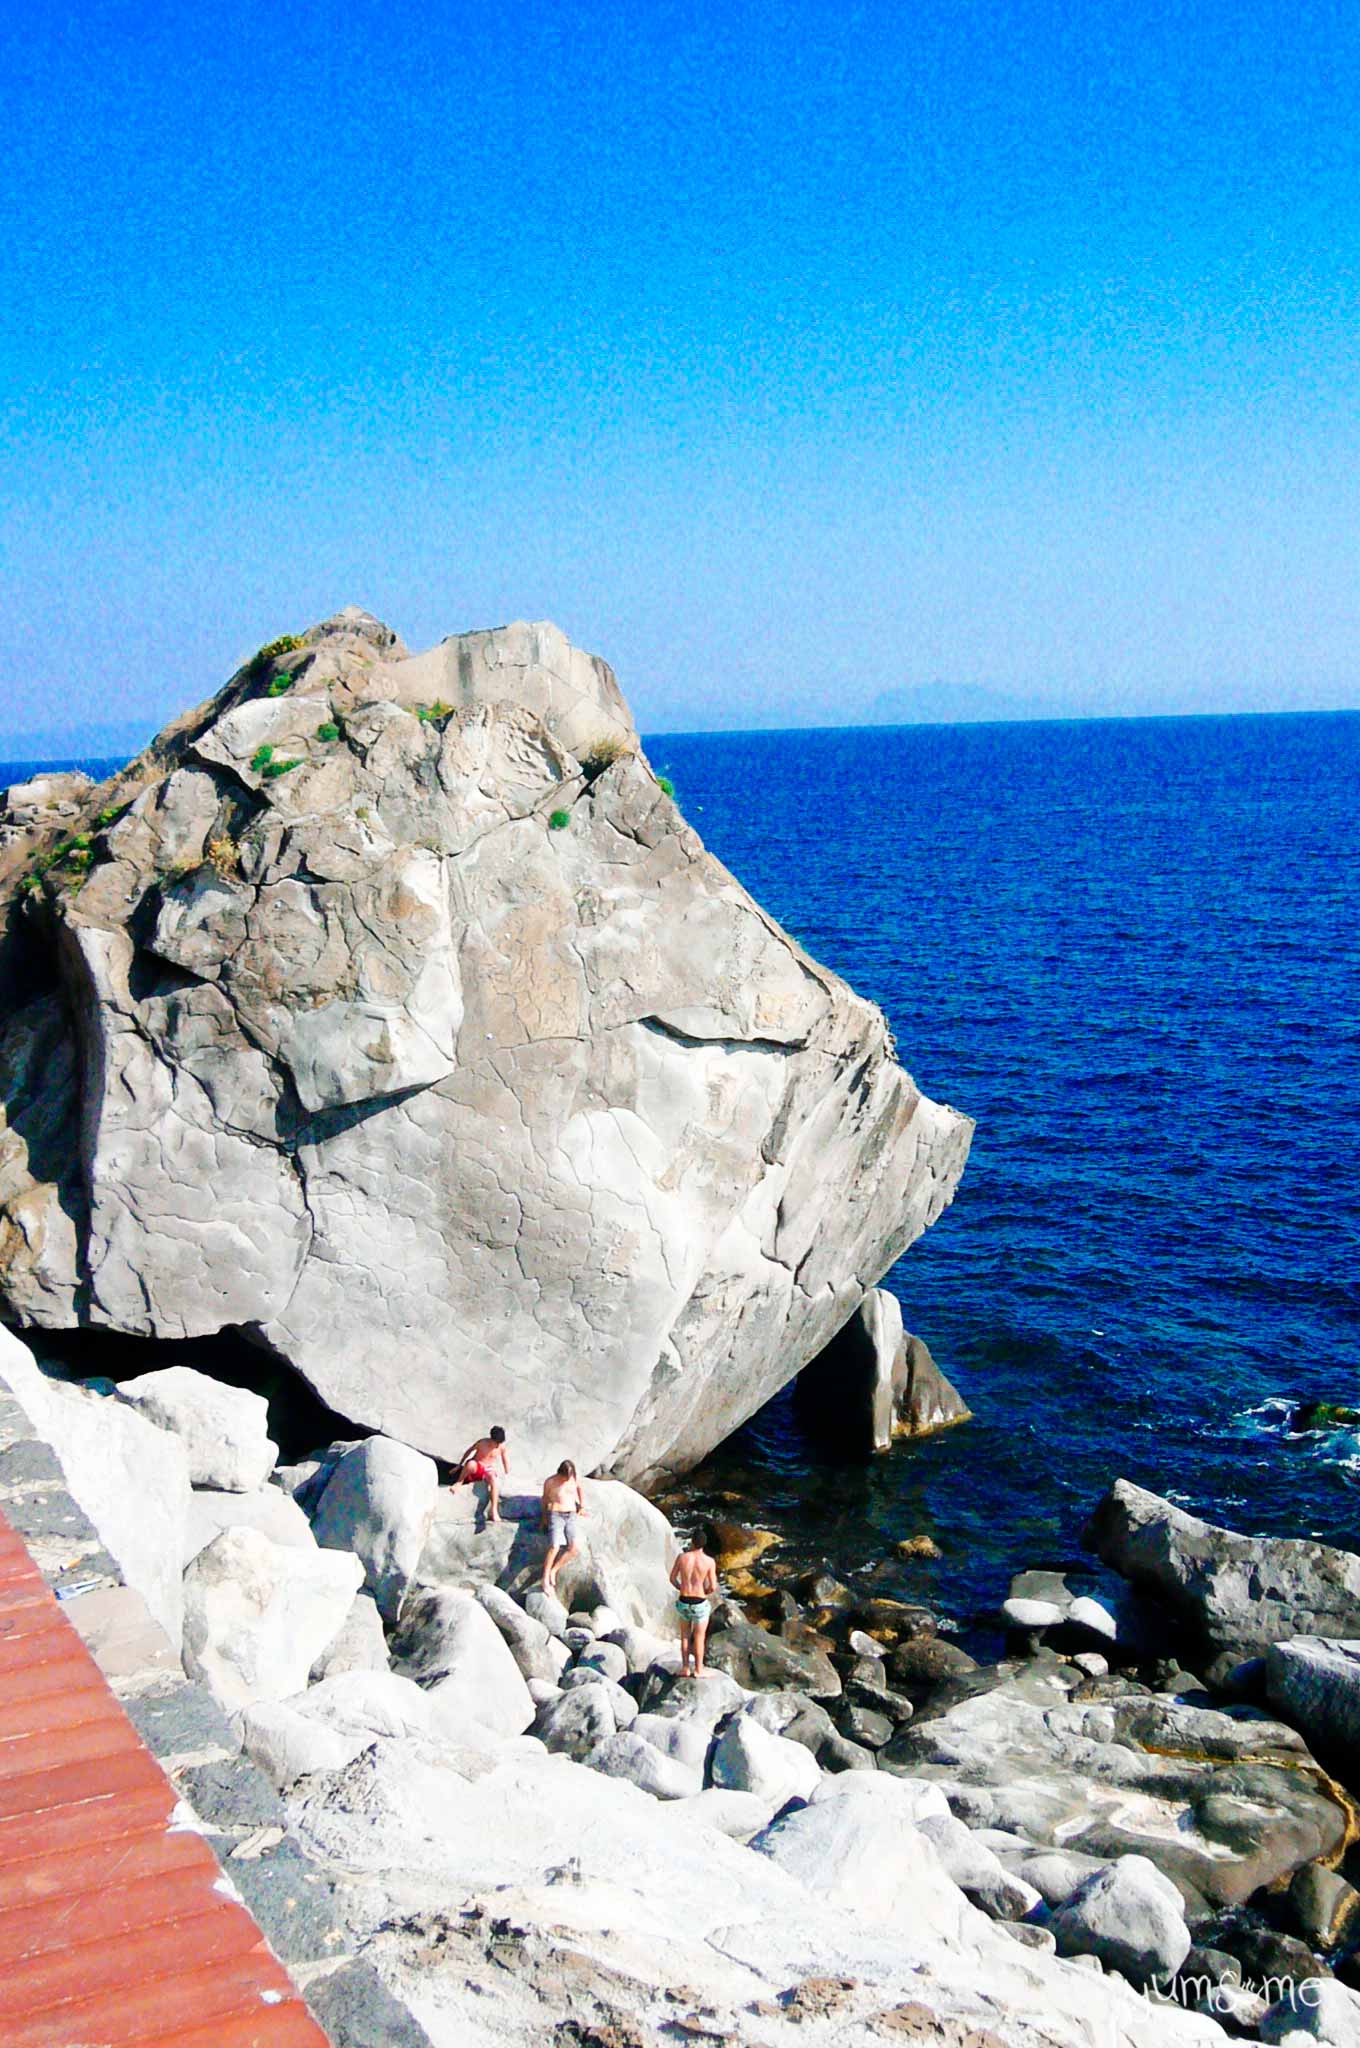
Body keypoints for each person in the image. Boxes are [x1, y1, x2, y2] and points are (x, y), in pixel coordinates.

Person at [669, 1523, 719, 1678]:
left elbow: (672, 1578)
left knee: (684, 1635)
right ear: (704, 1544)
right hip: (699, 1601)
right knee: (698, 1637)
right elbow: (713, 1586)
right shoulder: (709, 1561)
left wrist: (680, 1587)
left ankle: (685, 1668)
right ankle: (698, 1669)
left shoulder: (682, 1557)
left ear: (692, 1542)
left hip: (684, 1600)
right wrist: (705, 1592)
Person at [540, 1459, 588, 1594]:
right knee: (554, 1546)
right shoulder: (550, 1482)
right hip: (556, 1514)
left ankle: (554, 1570)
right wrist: (544, 1518)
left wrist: (582, 1506)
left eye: (569, 1477)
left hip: (571, 1514)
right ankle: (545, 1577)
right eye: (565, 1477)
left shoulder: (573, 1479)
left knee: (573, 1549)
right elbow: (544, 1499)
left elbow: (579, 1489)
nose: (567, 1480)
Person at [454, 1425, 509, 1524]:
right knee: (470, 1464)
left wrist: (507, 1472)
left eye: (499, 1443)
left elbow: (505, 1459)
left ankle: (494, 1510)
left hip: (488, 1469)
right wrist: (459, 1465)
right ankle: (459, 1482)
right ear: (491, 1439)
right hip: (477, 1466)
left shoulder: (501, 1447)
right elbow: (469, 1451)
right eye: (496, 1443)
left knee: (494, 1479)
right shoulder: (482, 1443)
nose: (497, 1446)